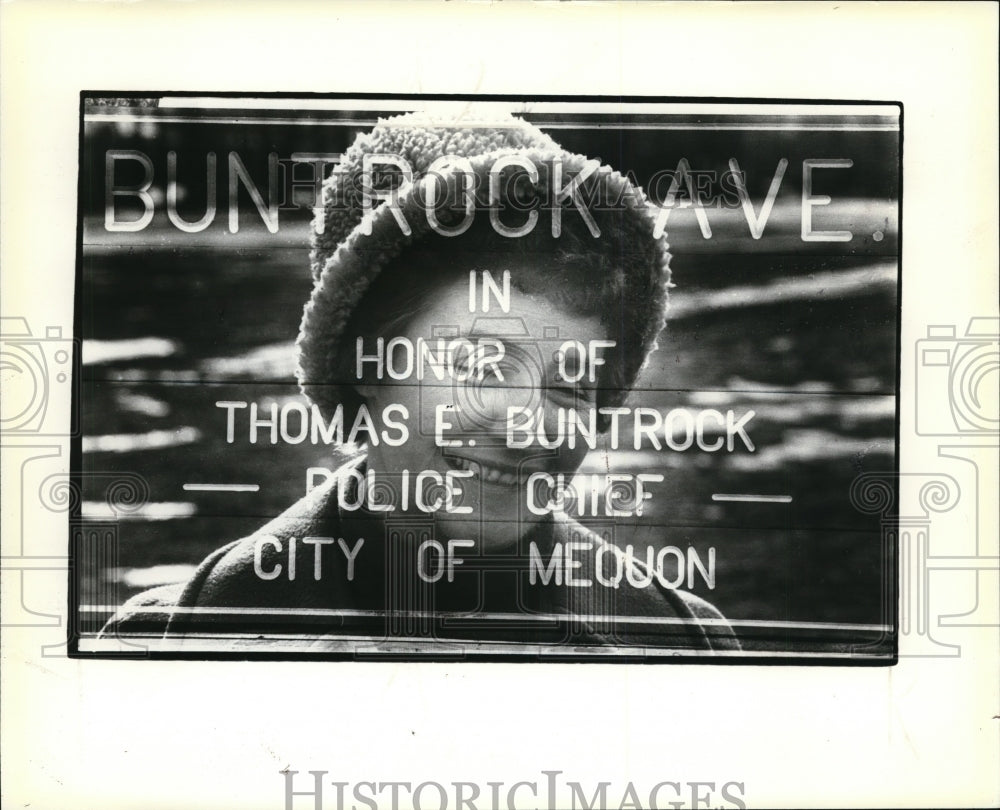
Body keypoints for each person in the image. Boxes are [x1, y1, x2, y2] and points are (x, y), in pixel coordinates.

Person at [103, 110, 739, 653]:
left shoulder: (690, 645)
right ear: (363, 366)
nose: (528, 428)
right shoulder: (160, 647)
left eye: (573, 383)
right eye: (480, 364)